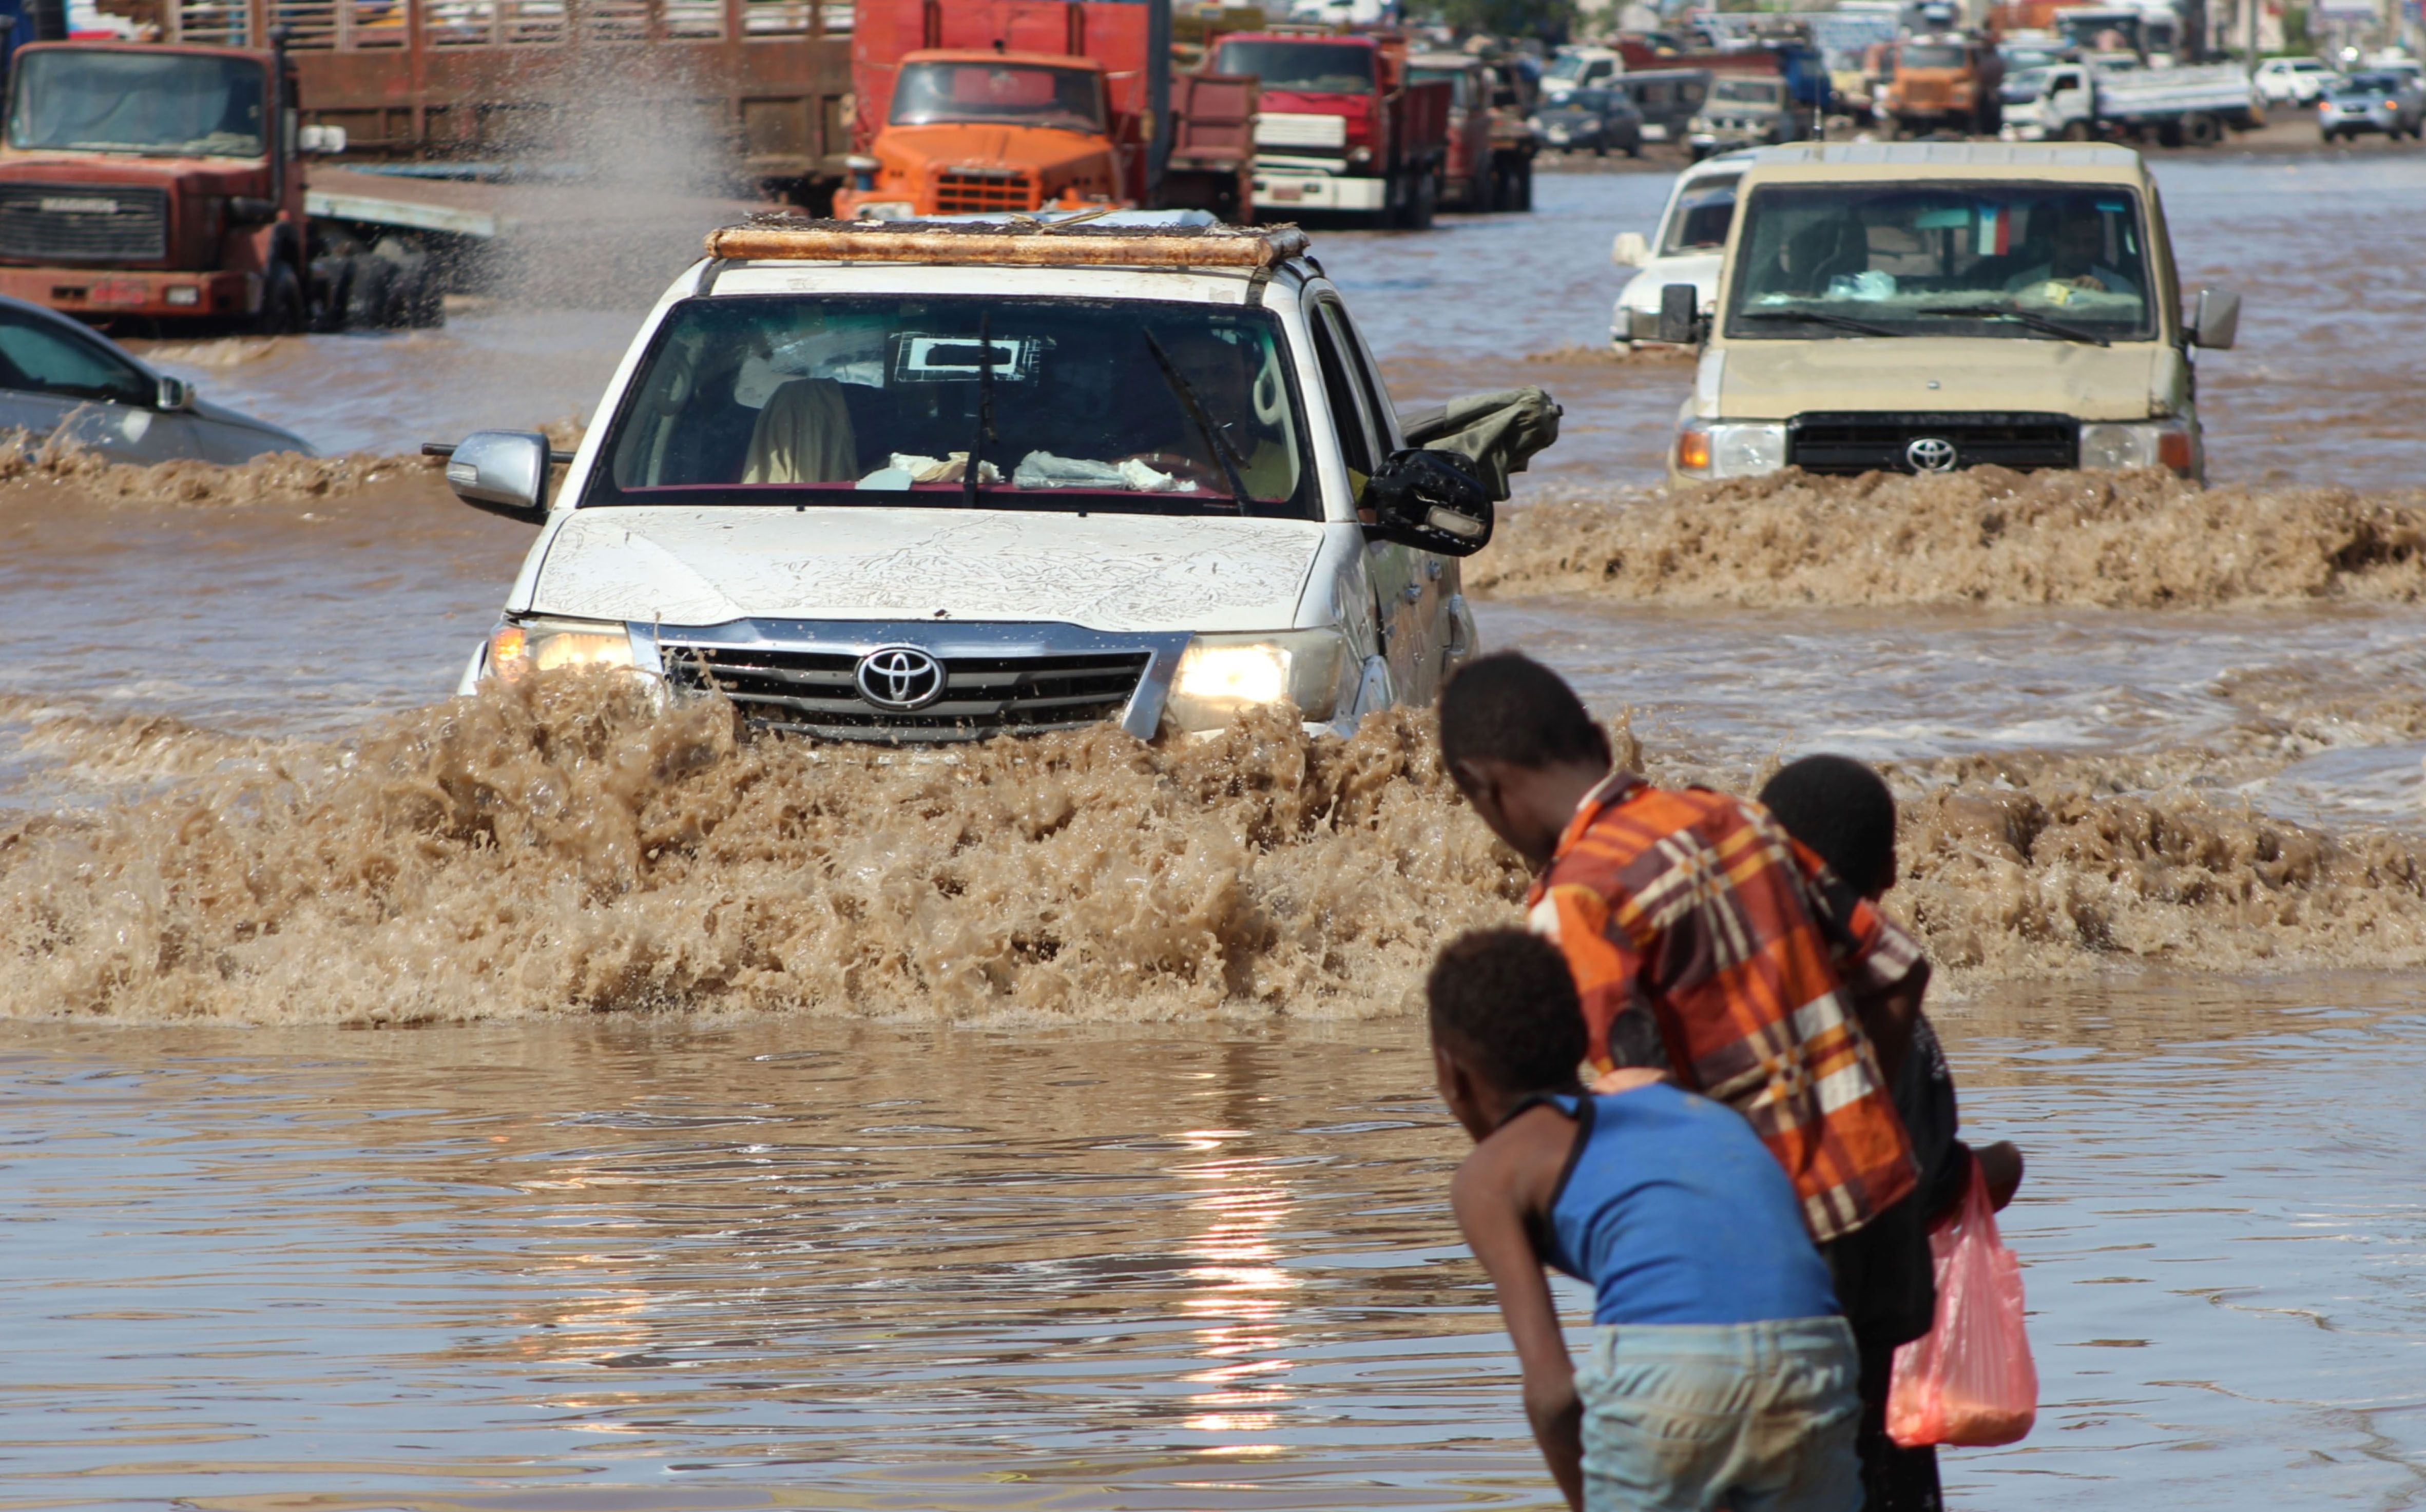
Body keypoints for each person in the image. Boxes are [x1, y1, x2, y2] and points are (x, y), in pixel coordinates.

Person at [1436, 653, 1936, 1494]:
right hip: (1882, 1208)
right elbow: (1897, 972)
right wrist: (1856, 1116)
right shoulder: (1729, 815)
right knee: (1881, 1481)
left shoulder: (1579, 898)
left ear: (1486, 790)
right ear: (1596, 740)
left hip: (1768, 1254)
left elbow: (1639, 1113)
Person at [1430, 928, 1862, 1512]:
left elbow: (1554, 1395)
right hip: (1815, 1356)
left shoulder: (1492, 1173)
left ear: (1450, 1074)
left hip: (1670, 1378)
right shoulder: (1700, 1115)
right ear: (1583, 1037)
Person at [1757, 753, 2026, 1512]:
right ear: (1886, 870)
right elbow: (1918, 1179)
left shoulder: (1730, 1000)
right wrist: (1992, 1170)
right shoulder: (1888, 1005)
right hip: (1863, 1338)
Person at [2004, 209, 2140, 298]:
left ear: (2100, 243)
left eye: (2089, 242)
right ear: (2054, 240)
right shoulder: (2020, 286)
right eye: (2071, 241)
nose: (2080, 250)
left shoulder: (2120, 288)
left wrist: (2106, 297)